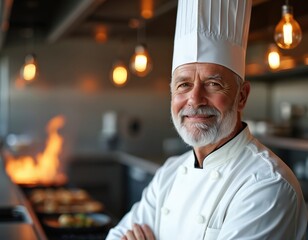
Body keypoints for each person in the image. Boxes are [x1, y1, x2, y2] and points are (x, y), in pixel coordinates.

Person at [106, 0, 308, 239]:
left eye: (213, 84)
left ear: (241, 96)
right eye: (184, 85)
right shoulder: (169, 174)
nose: (195, 99)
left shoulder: (268, 185)